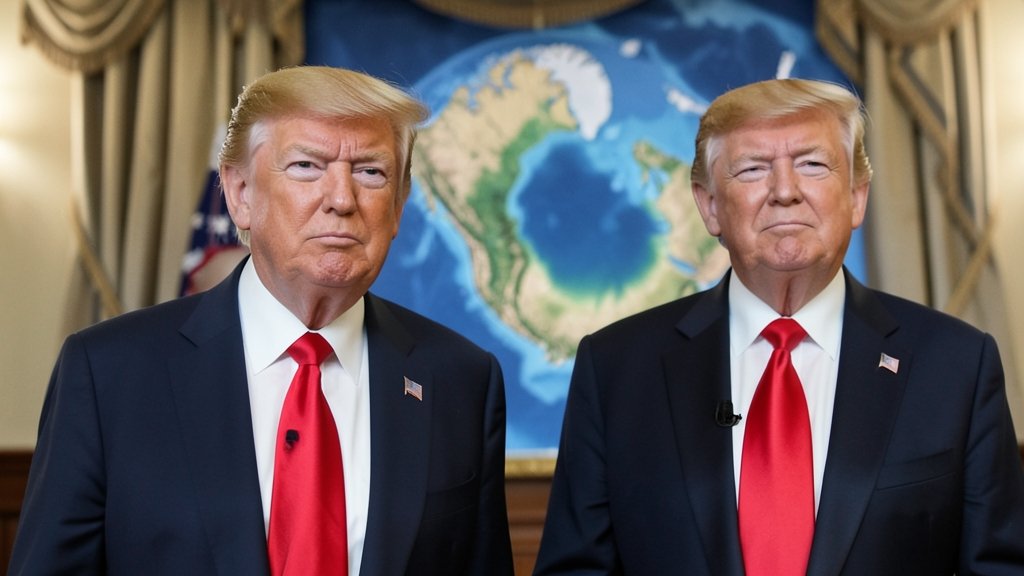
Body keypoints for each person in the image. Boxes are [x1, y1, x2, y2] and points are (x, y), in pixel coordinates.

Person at [9, 65, 514, 576]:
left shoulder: (460, 380)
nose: (341, 199)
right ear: (240, 193)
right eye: (306, 166)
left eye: (370, 172)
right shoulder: (109, 373)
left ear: (399, 206)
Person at [533, 78, 1024, 575]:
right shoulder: (616, 368)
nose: (785, 192)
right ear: (709, 206)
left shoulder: (955, 364)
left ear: (856, 196)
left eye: (812, 164)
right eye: (753, 170)